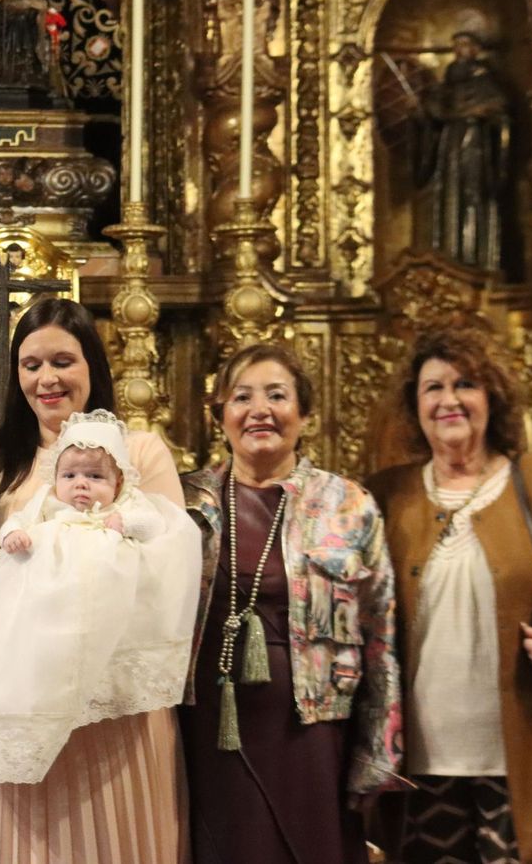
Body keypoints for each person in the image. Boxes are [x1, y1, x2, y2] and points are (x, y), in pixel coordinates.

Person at [0, 297, 190, 863]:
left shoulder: (140, 454)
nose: (47, 378)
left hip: (117, 711)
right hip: (17, 702)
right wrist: (2, 644)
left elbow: (174, 566)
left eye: (63, 361)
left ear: (92, 366)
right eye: (31, 364)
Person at [367, 327, 532, 863]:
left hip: (522, 751)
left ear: (492, 398)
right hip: (419, 757)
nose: (449, 400)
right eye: (433, 387)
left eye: (466, 384)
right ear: (414, 406)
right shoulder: (387, 494)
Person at [180, 341, 402, 864]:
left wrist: (380, 752)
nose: (259, 410)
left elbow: (382, 634)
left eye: (276, 395)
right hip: (208, 725)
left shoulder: (348, 505)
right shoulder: (186, 503)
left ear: (304, 413)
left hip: (313, 729)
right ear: (221, 414)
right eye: (242, 397)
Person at [0, 408, 200, 786]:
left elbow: (155, 525)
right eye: (71, 475)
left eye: (95, 476)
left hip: (108, 613)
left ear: (117, 484)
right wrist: (12, 537)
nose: (81, 484)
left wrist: (125, 523)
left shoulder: (125, 507)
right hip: (50, 613)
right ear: (56, 479)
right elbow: (18, 522)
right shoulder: (49, 507)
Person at [416, 31, 511, 272]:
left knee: (472, 194)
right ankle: (448, 253)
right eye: (456, 45)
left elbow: (498, 107)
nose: (460, 50)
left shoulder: (484, 80)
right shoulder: (447, 82)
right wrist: (423, 111)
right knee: (449, 194)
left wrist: (478, 112)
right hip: (450, 143)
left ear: (475, 50)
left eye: (465, 45)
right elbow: (435, 109)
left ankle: (474, 256)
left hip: (474, 142)